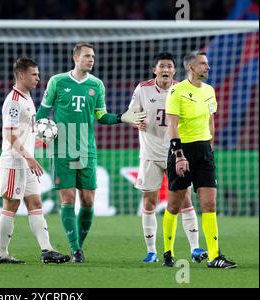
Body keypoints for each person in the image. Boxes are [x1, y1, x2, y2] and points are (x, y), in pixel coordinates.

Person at [36, 43, 146, 263]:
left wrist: (121, 118)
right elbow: (42, 113)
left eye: (93, 56)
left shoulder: (97, 85)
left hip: (87, 150)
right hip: (63, 149)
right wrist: (42, 130)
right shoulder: (58, 81)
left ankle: (79, 245)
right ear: (75, 58)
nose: (91, 60)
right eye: (87, 56)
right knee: (67, 199)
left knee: (87, 201)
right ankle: (75, 250)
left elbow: (101, 116)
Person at [128, 52, 207, 263]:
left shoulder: (182, 90)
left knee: (185, 199)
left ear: (174, 70)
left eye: (169, 66)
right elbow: (130, 114)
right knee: (149, 201)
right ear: (155, 70)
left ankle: (195, 248)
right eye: (161, 66)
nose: (165, 69)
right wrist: (136, 121)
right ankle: (152, 251)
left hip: (177, 154)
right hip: (150, 154)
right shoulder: (142, 89)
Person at [163, 51, 237, 268]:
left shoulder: (209, 91)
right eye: (203, 64)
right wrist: (179, 156)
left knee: (209, 203)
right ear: (191, 67)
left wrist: (210, 147)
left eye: (207, 64)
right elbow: (173, 126)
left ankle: (214, 256)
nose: (208, 67)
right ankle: (168, 252)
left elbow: (210, 121)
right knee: (174, 205)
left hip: (204, 151)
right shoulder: (177, 91)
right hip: (182, 152)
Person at [0, 57, 71, 265]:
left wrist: (38, 143)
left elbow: (23, 133)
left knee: (35, 203)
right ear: (21, 75)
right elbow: (9, 134)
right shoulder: (13, 101)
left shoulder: (27, 98)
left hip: (27, 161)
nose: (38, 78)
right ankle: (1, 254)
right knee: (11, 205)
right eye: (34, 74)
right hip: (15, 162)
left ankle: (47, 250)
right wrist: (29, 157)